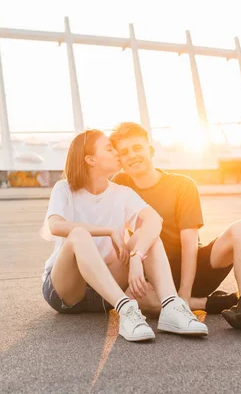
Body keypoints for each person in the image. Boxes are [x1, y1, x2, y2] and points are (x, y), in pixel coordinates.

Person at [40, 129, 209, 342]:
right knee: (78, 235)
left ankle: (171, 306)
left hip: (107, 291)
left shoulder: (122, 193)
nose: (118, 153)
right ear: (90, 159)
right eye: (109, 149)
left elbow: (154, 220)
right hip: (67, 290)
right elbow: (55, 226)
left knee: (149, 235)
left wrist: (137, 256)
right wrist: (108, 231)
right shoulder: (64, 188)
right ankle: (126, 310)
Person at [109, 122, 241, 335]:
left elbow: (189, 243)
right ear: (119, 160)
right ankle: (210, 303)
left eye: (137, 148)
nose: (132, 155)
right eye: (124, 152)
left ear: (150, 151)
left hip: (194, 269)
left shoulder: (182, 185)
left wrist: (183, 292)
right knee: (132, 298)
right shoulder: (120, 183)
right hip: (153, 271)